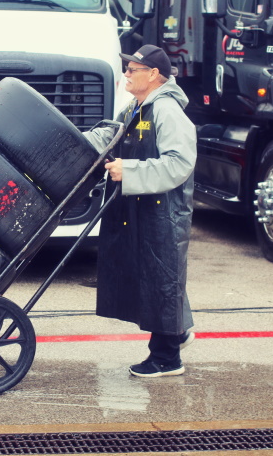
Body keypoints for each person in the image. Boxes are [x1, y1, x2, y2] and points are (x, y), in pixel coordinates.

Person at [83, 44, 197, 378]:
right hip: (143, 208)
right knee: (152, 275)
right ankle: (177, 332)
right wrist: (79, 140)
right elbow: (114, 133)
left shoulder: (167, 111)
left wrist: (129, 172)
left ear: (154, 75)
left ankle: (166, 359)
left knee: (162, 277)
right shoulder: (137, 105)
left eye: (133, 70)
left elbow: (180, 163)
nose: (126, 75)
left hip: (164, 212)